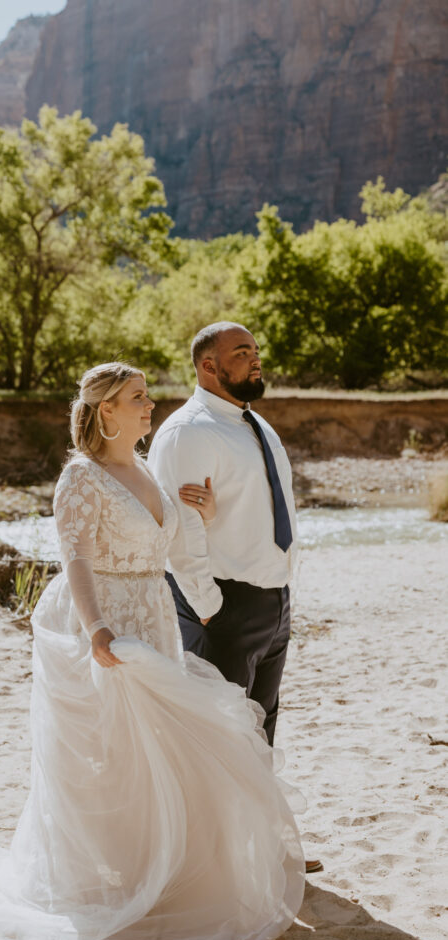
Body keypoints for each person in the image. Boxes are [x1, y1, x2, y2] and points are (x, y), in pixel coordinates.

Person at [0, 362, 305, 940]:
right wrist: (97, 630)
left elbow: (167, 548)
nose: (150, 406)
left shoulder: (142, 470)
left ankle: (156, 870)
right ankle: (114, 882)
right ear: (106, 410)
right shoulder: (81, 478)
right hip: (108, 619)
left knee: (156, 746)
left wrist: (202, 514)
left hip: (153, 613)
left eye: (146, 397)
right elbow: (77, 560)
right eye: (138, 398)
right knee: (108, 748)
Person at [148, 321, 322, 873]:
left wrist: (282, 589)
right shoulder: (186, 432)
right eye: (241, 352)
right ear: (208, 366)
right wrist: (207, 605)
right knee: (218, 733)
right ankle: (214, 865)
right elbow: (178, 529)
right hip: (222, 602)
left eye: (255, 350)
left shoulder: (254, 424)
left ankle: (262, 848)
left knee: (261, 725)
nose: (255, 360)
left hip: (273, 602)